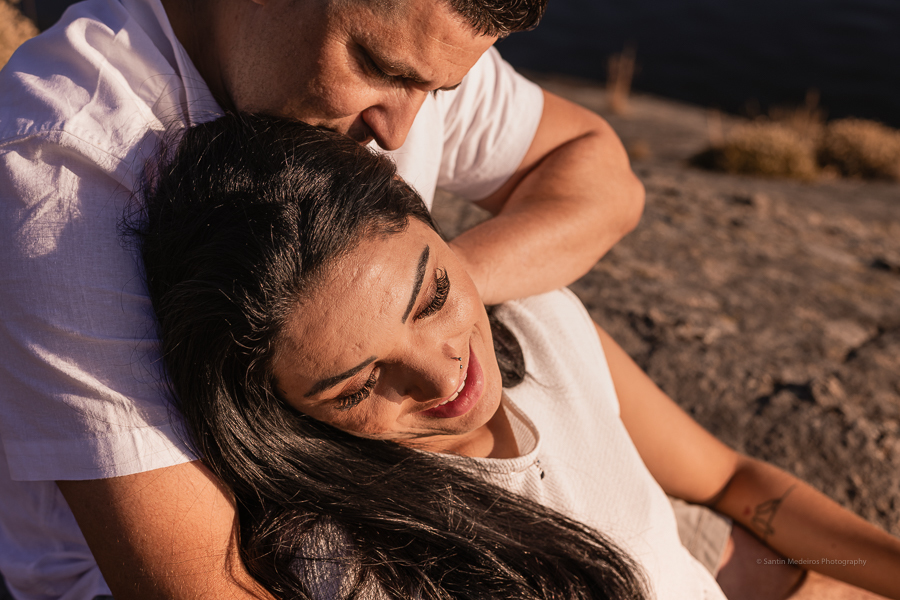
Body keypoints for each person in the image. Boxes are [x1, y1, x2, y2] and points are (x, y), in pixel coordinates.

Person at [0, 0, 644, 597]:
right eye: (373, 66)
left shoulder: (408, 37)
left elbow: (600, 179)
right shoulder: (60, 174)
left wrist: (425, 293)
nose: (400, 132)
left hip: (398, 484)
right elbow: (203, 584)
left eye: (437, 90)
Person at [131, 113, 900, 599]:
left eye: (432, 296)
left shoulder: (539, 324)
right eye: (360, 384)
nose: (444, 376)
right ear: (283, 413)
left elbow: (731, 480)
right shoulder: (354, 566)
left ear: (433, 225)